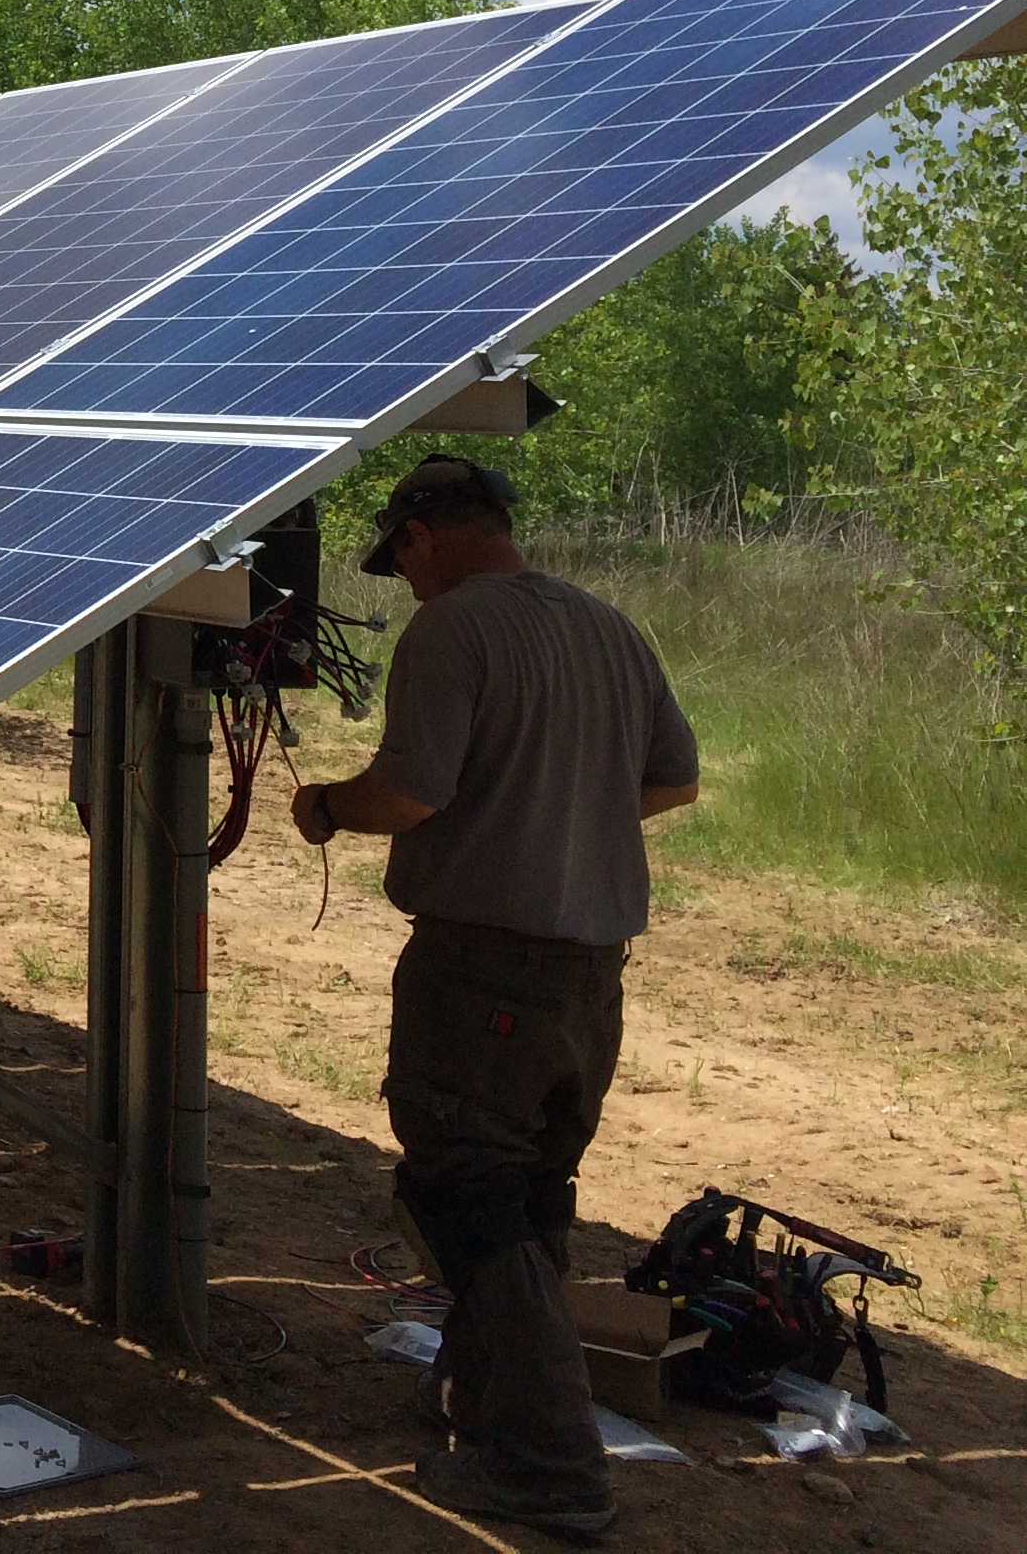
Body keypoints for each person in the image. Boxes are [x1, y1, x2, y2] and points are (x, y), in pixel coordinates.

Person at [289, 455, 700, 1543]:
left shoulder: (452, 631)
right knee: (528, 1201)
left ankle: (546, 1469)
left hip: (484, 973)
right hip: (588, 977)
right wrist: (563, 820)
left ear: (423, 535)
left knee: (466, 1201)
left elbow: (410, 793)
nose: (407, 584)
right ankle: (484, 1408)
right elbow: (673, 779)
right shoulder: (609, 628)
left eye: (403, 562)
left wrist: (326, 807)